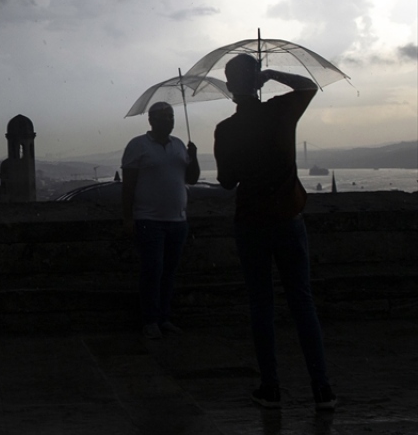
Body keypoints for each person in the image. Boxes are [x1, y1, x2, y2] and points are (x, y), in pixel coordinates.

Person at [214, 54, 336, 411]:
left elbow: (225, 182)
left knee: (261, 305)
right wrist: (270, 73)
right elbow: (308, 86)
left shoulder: (226, 130)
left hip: (251, 222)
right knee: (302, 302)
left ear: (229, 85)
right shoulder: (280, 112)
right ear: (257, 82)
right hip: (287, 218)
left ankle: (271, 387)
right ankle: (322, 387)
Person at [122, 101, 199, 340]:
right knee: (153, 271)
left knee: (169, 272)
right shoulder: (138, 145)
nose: (170, 120)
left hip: (178, 221)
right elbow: (128, 186)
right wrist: (127, 217)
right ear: (152, 120)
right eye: (164, 116)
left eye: (172, 116)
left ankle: (163, 318)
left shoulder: (178, 145)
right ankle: (150, 320)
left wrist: (194, 156)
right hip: (148, 219)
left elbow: (192, 179)